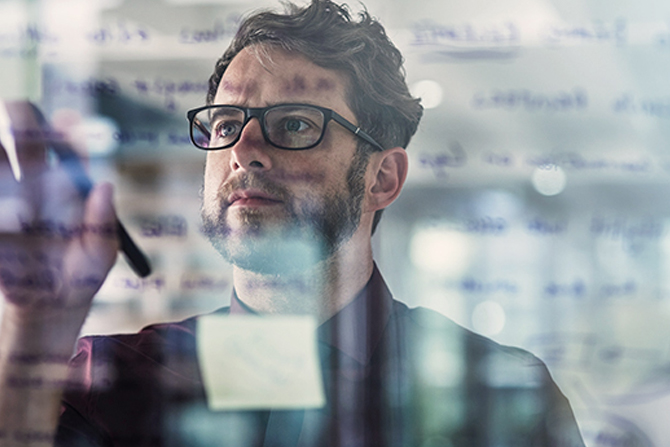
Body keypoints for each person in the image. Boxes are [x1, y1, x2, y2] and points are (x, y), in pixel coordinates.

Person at [0, 1, 585, 446]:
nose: (244, 148)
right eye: (226, 121)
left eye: (297, 125)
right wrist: (33, 335)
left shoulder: (499, 394)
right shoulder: (112, 381)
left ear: (381, 179)